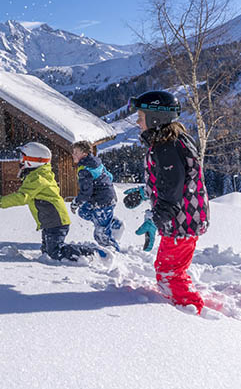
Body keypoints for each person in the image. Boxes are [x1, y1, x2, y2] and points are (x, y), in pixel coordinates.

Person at [128, 90, 210, 314]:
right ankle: (179, 303)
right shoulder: (171, 142)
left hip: (181, 222)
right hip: (186, 218)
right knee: (170, 269)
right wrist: (144, 193)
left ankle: (191, 310)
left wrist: (158, 217)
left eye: (141, 117)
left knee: (169, 272)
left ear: (156, 119)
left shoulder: (166, 147)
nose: (137, 122)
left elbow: (172, 188)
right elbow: (168, 181)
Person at [0, 142, 100, 261]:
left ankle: (92, 253)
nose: (20, 160)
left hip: (56, 221)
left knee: (55, 252)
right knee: (47, 251)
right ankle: (85, 253)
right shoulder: (38, 174)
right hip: (51, 221)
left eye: (23, 157)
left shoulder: (38, 178)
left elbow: (22, 197)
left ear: (34, 160)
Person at [69, 140, 122, 251]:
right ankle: (112, 222)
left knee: (101, 235)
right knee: (83, 211)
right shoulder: (96, 162)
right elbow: (110, 176)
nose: (73, 154)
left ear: (84, 154)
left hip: (102, 202)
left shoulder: (85, 170)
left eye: (76, 152)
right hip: (105, 198)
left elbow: (86, 193)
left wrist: (75, 202)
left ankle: (115, 254)